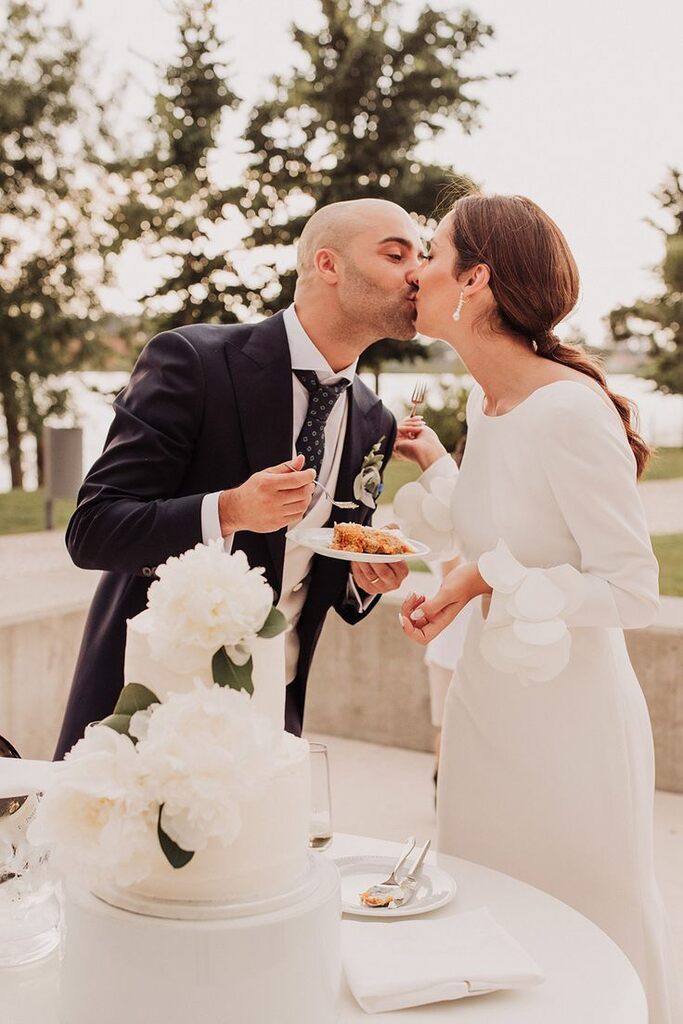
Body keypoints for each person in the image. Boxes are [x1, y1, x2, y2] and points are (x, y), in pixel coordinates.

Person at [394, 192, 682, 1022]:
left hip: (571, 735)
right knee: (487, 921)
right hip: (487, 719)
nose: (415, 270)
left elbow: (631, 589)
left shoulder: (566, 410)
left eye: (431, 252)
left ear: (475, 279)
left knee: (589, 937)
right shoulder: (487, 406)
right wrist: (436, 476)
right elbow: (503, 531)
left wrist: (480, 580)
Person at [55, 198, 423, 759]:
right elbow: (93, 530)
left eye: (421, 256)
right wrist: (228, 511)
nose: (416, 272)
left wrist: (365, 578)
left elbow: (328, 579)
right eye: (396, 254)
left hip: (272, 720)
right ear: (328, 265)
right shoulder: (193, 361)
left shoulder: (375, 420)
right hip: (150, 701)